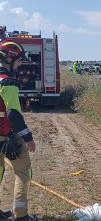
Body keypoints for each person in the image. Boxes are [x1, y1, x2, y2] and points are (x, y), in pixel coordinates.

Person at [0, 40, 36, 220]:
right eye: (19, 60)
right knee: (23, 172)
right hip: (7, 137)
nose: (21, 64)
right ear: (9, 59)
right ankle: (21, 215)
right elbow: (13, 114)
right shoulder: (8, 83)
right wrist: (28, 137)